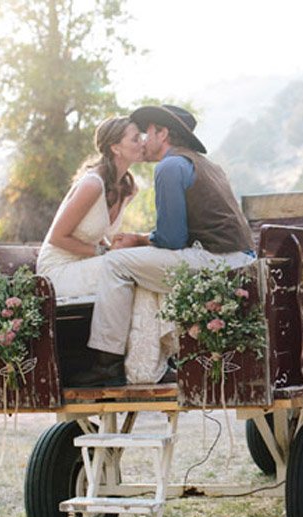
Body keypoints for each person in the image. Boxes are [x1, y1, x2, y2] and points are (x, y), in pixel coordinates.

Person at [72, 105, 256, 387]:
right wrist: (143, 240)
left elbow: (171, 240)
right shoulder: (205, 165)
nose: (144, 140)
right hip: (238, 259)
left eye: (147, 133)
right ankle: (149, 362)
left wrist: (138, 240)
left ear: (163, 133)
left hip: (219, 262)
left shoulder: (170, 166)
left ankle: (106, 363)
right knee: (142, 269)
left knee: (115, 263)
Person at [36, 116, 143, 298]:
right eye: (135, 139)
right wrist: (105, 251)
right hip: (58, 271)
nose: (143, 143)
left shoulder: (129, 189)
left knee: (142, 261)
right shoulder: (92, 185)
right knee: (131, 265)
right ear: (115, 148)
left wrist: (112, 246)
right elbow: (57, 237)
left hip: (88, 264)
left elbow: (94, 230)